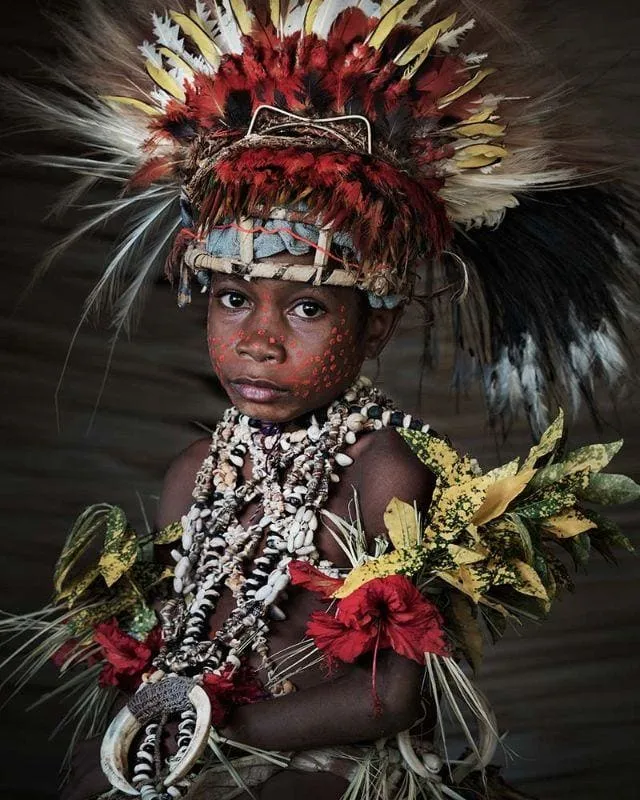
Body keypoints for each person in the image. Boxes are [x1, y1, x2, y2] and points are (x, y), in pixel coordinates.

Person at [2, 2, 639, 800]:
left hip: (319, 769)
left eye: (307, 308)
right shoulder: (194, 473)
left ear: (377, 329)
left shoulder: (383, 471)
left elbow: (389, 695)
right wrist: (141, 735)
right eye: (234, 298)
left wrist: (214, 728)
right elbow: (168, 656)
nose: (260, 340)